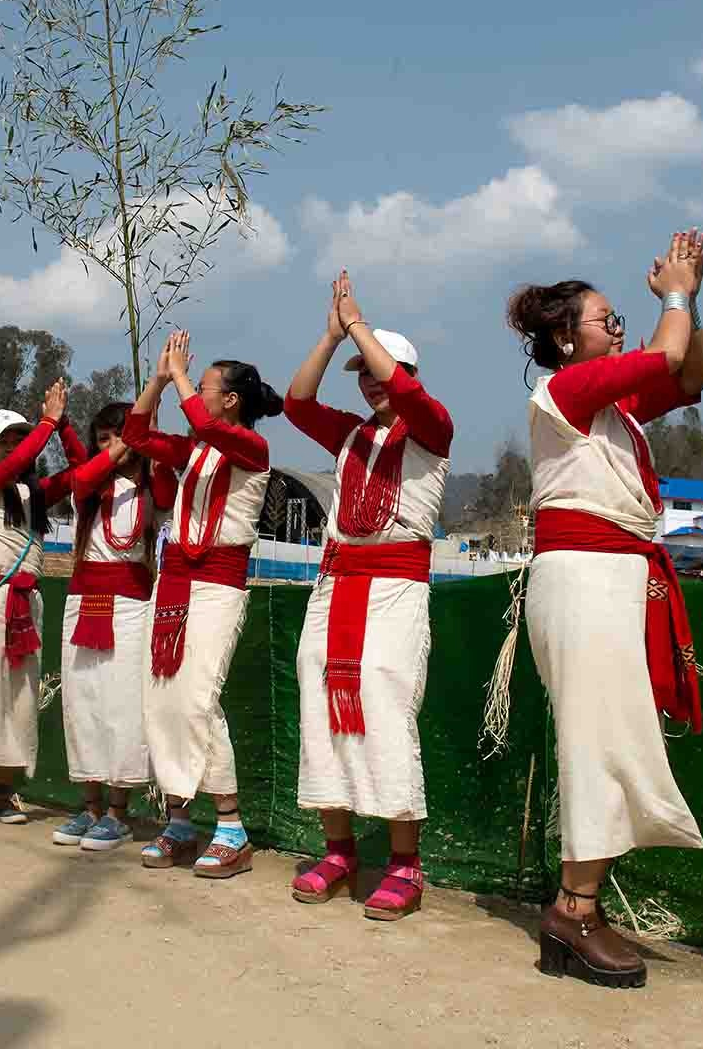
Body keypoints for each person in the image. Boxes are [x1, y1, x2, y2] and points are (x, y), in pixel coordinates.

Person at [507, 229, 703, 989]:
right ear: (565, 339)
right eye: (607, 319)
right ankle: (574, 908)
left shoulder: (615, 410)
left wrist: (693, 297)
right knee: (597, 743)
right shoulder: (561, 392)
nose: (621, 327)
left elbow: (691, 372)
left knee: (615, 738)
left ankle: (579, 903)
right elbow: (665, 352)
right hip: (585, 576)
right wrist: (675, 297)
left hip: (613, 577)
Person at [283, 270, 454, 921]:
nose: (370, 381)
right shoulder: (351, 433)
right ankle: (339, 848)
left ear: (406, 373)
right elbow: (297, 403)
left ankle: (406, 864)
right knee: (318, 697)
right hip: (337, 584)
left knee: (384, 700)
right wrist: (332, 338)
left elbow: (409, 394)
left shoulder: (431, 427)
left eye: (381, 371)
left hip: (394, 589)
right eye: (362, 372)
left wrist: (359, 324)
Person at [123, 330, 280, 880]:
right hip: (174, 583)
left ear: (230, 399)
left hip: (217, 582)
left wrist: (181, 375)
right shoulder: (194, 450)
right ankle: (181, 821)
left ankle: (232, 828)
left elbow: (210, 426)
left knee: (198, 701)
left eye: (206, 386)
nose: (200, 395)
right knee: (161, 698)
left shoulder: (252, 450)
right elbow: (135, 433)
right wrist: (160, 379)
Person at [0, 381, 87, 828]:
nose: (12, 448)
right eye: (3, 441)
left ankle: (4, 792)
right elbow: (20, 462)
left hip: (27, 601)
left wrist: (63, 427)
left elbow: (84, 472)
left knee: (20, 699)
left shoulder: (35, 494)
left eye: (16, 439)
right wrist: (44, 424)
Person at [50, 401, 177, 852]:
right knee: (83, 703)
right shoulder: (87, 487)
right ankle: (90, 805)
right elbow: (82, 475)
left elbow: (166, 494)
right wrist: (116, 449)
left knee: (122, 706)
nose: (112, 447)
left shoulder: (152, 485)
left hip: (130, 606)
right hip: (83, 603)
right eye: (102, 439)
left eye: (118, 436)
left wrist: (150, 442)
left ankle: (119, 812)